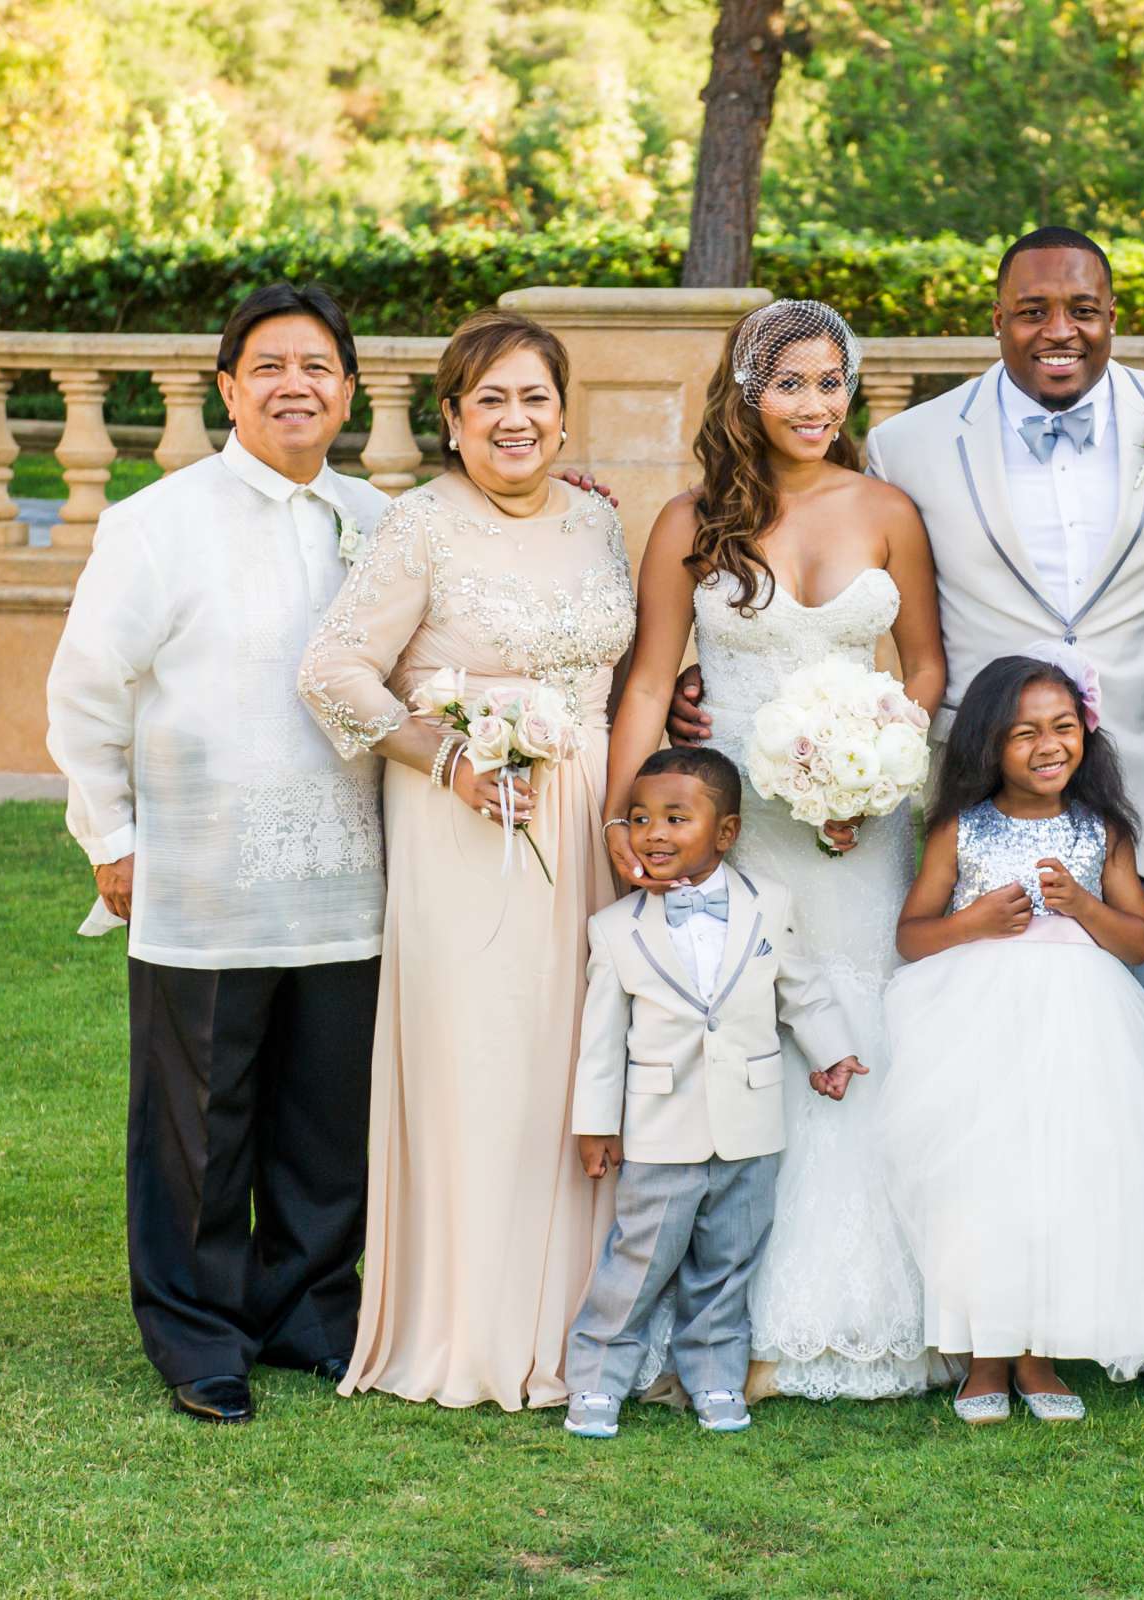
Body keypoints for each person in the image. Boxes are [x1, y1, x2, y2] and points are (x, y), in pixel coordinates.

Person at [667, 247, 1144, 1404]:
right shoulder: (915, 447)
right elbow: (892, 643)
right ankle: (945, 1310)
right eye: (1031, 309)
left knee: (1141, 1068)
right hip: (954, 799)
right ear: (994, 318)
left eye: (1082, 308)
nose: (1058, 328)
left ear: (1114, 312)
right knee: (945, 1062)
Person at [45, 282, 388, 1424]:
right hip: (201, 868)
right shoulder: (157, 522)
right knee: (200, 1118)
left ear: (350, 388)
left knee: (328, 1117)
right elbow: (86, 690)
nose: (296, 384)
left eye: (318, 366)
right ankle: (198, 1332)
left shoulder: (380, 519)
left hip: (352, 873)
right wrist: (112, 833)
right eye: (270, 366)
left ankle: (305, 1309)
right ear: (228, 388)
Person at [605, 300, 951, 1402]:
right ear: (747, 392)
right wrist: (625, 815)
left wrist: (881, 766)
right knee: (745, 1038)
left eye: (833, 381)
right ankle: (731, 1319)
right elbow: (654, 679)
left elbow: (928, 666)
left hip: (862, 831)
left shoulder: (889, 508)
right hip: (737, 828)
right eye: (792, 382)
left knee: (858, 1027)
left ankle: (870, 1312)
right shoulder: (690, 521)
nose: (816, 403)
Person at [297, 308, 635, 1412]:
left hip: (583, 818)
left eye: (534, 396)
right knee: (482, 1066)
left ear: (561, 411)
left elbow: (614, 663)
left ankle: (580, 1321)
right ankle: (470, 1327)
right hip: (468, 830)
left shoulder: (597, 523)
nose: (515, 419)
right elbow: (335, 671)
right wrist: (444, 757)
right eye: (489, 399)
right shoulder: (419, 527)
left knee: (573, 1061)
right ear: (450, 419)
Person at [877, 654, 1144, 1424]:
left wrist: (1080, 906)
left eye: (1063, 727)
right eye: (1024, 732)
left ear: (1086, 734)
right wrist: (975, 923)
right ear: (986, 745)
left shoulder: (1102, 829)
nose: (1048, 745)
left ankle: (1040, 1354)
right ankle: (985, 1357)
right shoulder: (959, 829)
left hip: (1080, 1028)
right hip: (975, 1026)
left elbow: (1135, 941)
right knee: (983, 1178)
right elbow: (912, 935)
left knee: (1056, 1179)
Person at [563, 748, 869, 1438]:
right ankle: (596, 1379)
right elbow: (601, 1040)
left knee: (728, 1263)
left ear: (725, 832)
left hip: (751, 1123)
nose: (654, 834)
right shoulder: (616, 930)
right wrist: (595, 1124)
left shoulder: (770, 906)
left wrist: (834, 1053)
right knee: (639, 1262)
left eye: (676, 817)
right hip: (659, 1127)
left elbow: (803, 988)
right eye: (640, 819)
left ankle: (713, 1378)